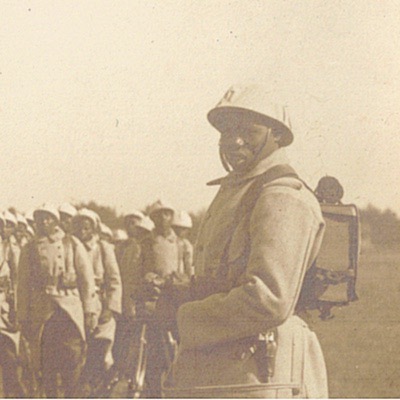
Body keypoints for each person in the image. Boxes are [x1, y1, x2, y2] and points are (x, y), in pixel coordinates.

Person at [162, 84, 328, 398]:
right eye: (226, 131)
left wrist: (182, 314)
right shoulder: (239, 190)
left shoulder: (282, 196)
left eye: (248, 131)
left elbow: (268, 299)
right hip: (226, 371)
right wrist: (185, 290)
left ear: (277, 134)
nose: (234, 141)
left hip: (262, 373)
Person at [17, 204, 98, 398]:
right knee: (47, 369)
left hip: (69, 313)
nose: (44, 222)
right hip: (43, 314)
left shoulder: (72, 243)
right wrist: (23, 317)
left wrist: (90, 311)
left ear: (56, 221)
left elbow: (87, 280)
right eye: (40, 218)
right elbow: (23, 286)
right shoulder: (29, 249)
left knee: (73, 366)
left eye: (48, 218)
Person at [73, 208, 122, 394]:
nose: (83, 230)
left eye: (87, 226)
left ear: (94, 227)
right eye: (79, 226)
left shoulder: (103, 248)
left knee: (101, 352)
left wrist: (111, 307)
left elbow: (114, 280)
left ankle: (102, 390)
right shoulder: (71, 246)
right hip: (78, 305)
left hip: (101, 307)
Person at [0, 213, 25, 397]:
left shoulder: (13, 250)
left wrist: (16, 307)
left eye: (8, 225)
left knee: (9, 356)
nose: (4, 229)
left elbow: (18, 281)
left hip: (5, 309)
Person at [172, 210, 194, 277]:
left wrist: (190, 276)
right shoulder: (168, 242)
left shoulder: (186, 245)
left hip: (181, 277)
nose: (180, 231)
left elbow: (189, 263)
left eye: (183, 229)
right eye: (177, 228)